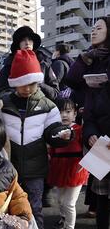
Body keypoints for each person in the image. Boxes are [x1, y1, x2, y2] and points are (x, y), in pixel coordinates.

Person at [0, 49, 72, 229]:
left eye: (32, 83)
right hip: (8, 167)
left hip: (36, 171)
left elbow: (53, 131)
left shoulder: (48, 106)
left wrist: (62, 135)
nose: (27, 88)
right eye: (23, 83)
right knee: (7, 208)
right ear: (14, 83)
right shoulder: (2, 103)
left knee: (35, 208)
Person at [65, 17, 110, 229]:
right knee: (101, 194)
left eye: (99, 28)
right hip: (100, 138)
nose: (93, 32)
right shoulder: (92, 60)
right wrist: (84, 58)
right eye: (92, 28)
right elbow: (71, 80)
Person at [47, 98, 89, 229]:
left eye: (68, 111)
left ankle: (70, 227)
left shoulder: (80, 130)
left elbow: (87, 147)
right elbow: (51, 149)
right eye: (60, 112)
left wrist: (85, 163)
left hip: (76, 169)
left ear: (75, 114)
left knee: (69, 203)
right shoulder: (54, 130)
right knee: (60, 200)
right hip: (58, 168)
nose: (64, 115)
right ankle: (63, 218)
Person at [0, 26, 59, 101]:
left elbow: (55, 93)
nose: (27, 43)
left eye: (30, 39)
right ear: (17, 44)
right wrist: (18, 93)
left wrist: (37, 84)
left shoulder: (44, 64)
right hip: (17, 110)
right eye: (23, 40)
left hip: (41, 109)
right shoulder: (9, 65)